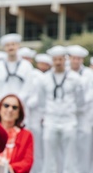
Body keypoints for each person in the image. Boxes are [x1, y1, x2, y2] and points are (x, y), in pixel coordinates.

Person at [39, 45, 84, 173]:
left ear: (65, 60)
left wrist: (73, 110)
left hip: (69, 120)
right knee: (49, 155)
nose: (58, 62)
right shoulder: (45, 78)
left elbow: (80, 100)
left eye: (60, 59)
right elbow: (41, 100)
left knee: (70, 156)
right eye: (55, 60)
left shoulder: (75, 78)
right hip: (51, 119)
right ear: (52, 61)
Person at [67, 45, 92, 173]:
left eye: (78, 58)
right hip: (67, 116)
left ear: (82, 60)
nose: (76, 61)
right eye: (74, 58)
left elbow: (89, 95)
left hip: (84, 116)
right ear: (69, 58)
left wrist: (77, 107)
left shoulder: (89, 74)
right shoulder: (64, 72)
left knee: (84, 148)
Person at [0, 34, 33, 106]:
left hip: (21, 105)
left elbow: (28, 86)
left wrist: (17, 101)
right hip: (1, 105)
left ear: (18, 46)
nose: (11, 47)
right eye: (7, 45)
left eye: (13, 44)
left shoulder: (26, 65)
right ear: (4, 48)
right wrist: (3, 102)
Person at [0, 94, 34, 173]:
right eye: (6, 105)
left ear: (19, 113)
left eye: (14, 107)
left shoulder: (26, 135)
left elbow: (27, 162)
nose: (10, 110)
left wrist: (7, 168)